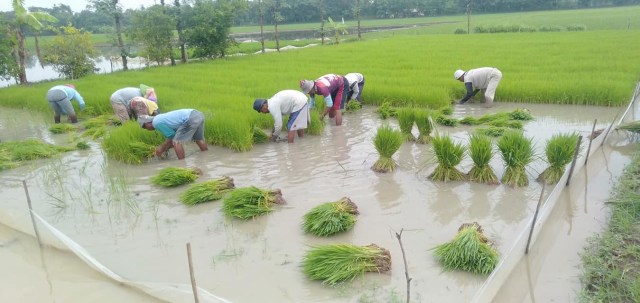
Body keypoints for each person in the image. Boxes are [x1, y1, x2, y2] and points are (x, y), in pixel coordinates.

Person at [137, 109, 208, 160]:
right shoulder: (160, 118)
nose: (147, 129)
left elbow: (172, 137)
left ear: (147, 122)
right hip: (198, 114)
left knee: (176, 141)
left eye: (145, 127)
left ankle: (182, 165)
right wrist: (165, 148)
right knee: (198, 139)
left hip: (190, 118)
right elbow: (175, 134)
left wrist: (161, 148)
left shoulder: (156, 122)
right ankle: (206, 156)